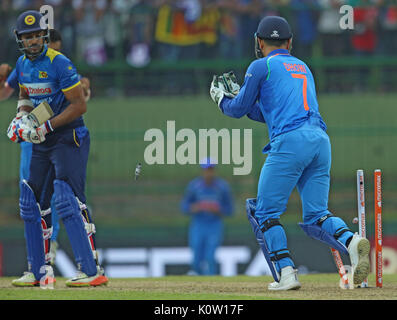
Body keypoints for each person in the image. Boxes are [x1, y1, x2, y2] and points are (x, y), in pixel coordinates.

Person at [209, 16, 370, 290]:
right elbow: (272, 113)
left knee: (265, 213)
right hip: (320, 141)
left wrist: (223, 99)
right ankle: (352, 242)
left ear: (259, 42)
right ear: (290, 42)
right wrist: (243, 99)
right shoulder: (303, 66)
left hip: (290, 143)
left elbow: (238, 110)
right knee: (316, 215)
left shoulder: (261, 66)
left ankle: (286, 273)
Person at [7, 10, 107, 287]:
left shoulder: (59, 63)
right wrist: (21, 117)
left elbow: (79, 105)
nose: (34, 41)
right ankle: (38, 271)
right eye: (28, 37)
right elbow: (26, 93)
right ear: (20, 39)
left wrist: (46, 127)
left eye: (37, 35)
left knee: (67, 198)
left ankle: (91, 269)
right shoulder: (22, 64)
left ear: (45, 36)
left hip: (68, 136)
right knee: (31, 201)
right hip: (42, 140)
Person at [181, 158, 234, 275]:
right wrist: (196, 207)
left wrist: (217, 210)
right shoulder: (194, 186)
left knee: (210, 257)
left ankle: (211, 283)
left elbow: (229, 210)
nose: (208, 173)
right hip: (198, 224)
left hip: (214, 225)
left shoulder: (222, 187)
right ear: (202, 171)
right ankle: (197, 281)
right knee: (196, 258)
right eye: (206, 170)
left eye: (211, 169)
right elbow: (185, 207)